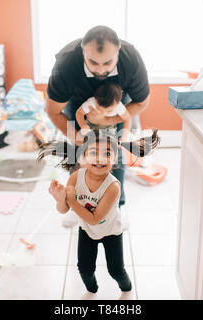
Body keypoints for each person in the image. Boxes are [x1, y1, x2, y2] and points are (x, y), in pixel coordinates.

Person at [45, 25, 150, 227]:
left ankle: (115, 208)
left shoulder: (131, 60)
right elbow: (53, 111)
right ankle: (75, 204)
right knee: (78, 155)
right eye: (93, 62)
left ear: (118, 53)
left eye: (108, 63)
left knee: (114, 156)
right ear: (83, 51)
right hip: (78, 105)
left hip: (116, 105)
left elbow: (142, 102)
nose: (101, 69)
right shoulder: (66, 65)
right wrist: (79, 140)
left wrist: (110, 120)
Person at [38, 129, 159, 298]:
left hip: (111, 232)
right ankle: (92, 290)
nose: (100, 158)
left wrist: (71, 200)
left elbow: (94, 219)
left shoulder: (113, 187)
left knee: (116, 270)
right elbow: (64, 210)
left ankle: (127, 288)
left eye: (107, 153)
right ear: (83, 156)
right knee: (84, 268)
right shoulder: (75, 178)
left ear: (115, 158)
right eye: (94, 152)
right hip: (87, 231)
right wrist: (60, 199)